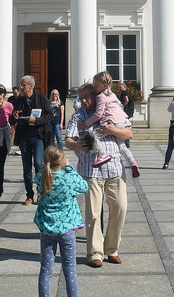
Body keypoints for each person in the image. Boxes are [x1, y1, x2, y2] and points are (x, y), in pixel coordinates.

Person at [66, 83, 132, 268]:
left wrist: (112, 130)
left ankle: (112, 249)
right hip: (91, 170)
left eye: (87, 97)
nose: (84, 101)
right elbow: (68, 139)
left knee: (120, 208)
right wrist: (76, 145)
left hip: (115, 168)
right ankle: (95, 252)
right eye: (81, 98)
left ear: (96, 96)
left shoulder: (112, 110)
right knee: (94, 213)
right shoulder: (78, 116)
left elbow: (128, 133)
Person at [34, 144, 88, 297]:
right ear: (63, 160)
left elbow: (39, 177)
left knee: (45, 270)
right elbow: (84, 186)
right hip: (67, 230)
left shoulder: (41, 177)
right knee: (70, 269)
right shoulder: (68, 179)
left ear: (45, 161)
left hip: (47, 230)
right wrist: (70, 168)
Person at [78, 72, 139, 177]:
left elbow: (98, 114)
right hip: (121, 121)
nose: (95, 88)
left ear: (104, 85)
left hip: (110, 122)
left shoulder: (101, 97)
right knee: (122, 146)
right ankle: (133, 162)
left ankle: (103, 155)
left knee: (93, 136)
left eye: (96, 85)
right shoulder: (112, 94)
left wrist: (85, 123)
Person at [11, 75, 54, 204]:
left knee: (38, 164)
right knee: (26, 167)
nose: (21, 87)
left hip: (38, 136)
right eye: (21, 84)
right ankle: (29, 195)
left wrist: (36, 121)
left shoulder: (41, 98)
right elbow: (12, 120)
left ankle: (41, 193)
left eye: (23, 85)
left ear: (31, 86)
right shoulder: (19, 101)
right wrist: (14, 116)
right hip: (24, 137)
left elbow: (50, 115)